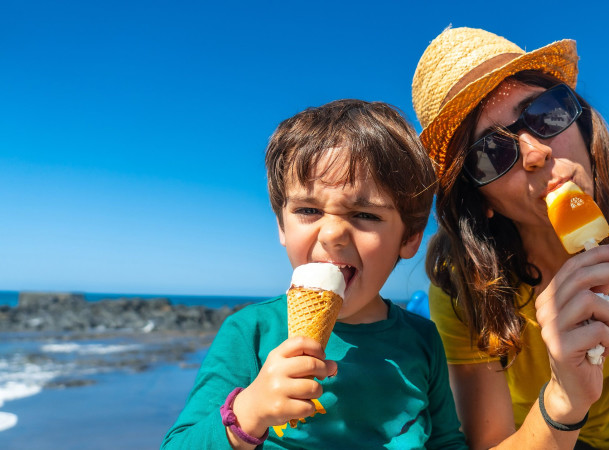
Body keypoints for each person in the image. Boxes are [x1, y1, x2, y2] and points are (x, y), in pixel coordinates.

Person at [411, 27, 609, 449]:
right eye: (491, 154)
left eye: (545, 114)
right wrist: (562, 399)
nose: (534, 153)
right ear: (480, 199)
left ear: (581, 121)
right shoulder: (460, 282)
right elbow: (493, 441)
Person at [162, 100, 466, 449]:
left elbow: (446, 441)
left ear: (410, 238)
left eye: (365, 214)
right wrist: (247, 414)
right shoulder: (252, 333)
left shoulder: (423, 340)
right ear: (281, 225)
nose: (332, 233)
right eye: (308, 210)